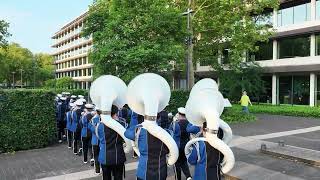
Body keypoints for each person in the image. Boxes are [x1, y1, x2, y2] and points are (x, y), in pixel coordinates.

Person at [125, 115, 169, 180]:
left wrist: (140, 124)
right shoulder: (167, 132)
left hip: (143, 172)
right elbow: (169, 150)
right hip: (160, 173)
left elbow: (126, 133)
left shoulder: (140, 131)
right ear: (159, 118)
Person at [97, 105, 127, 180]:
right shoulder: (122, 124)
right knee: (118, 177)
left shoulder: (99, 125)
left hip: (105, 156)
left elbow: (98, 136)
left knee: (106, 177)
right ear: (115, 113)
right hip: (118, 155)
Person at [170, 107, 192, 180]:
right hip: (186, 145)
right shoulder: (189, 123)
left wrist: (173, 121)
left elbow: (169, 132)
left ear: (179, 114)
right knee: (184, 162)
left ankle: (178, 178)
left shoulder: (175, 124)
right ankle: (188, 176)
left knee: (177, 164)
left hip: (177, 146)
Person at [88, 108, 101, 174]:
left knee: (96, 156)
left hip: (95, 140)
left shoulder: (93, 119)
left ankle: (97, 170)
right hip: (101, 141)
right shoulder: (103, 119)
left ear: (96, 111)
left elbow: (90, 128)